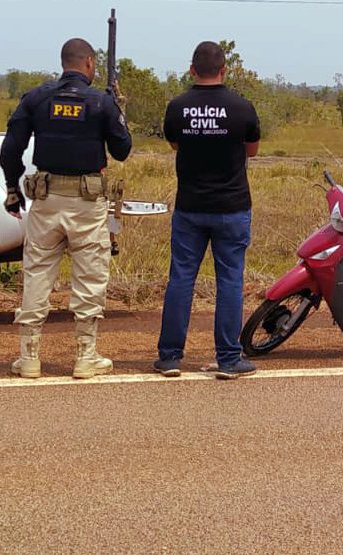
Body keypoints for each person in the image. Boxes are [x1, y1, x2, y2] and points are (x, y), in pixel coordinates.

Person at [2, 38, 132, 379]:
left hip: (45, 201)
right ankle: (85, 356)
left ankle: (29, 357)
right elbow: (122, 150)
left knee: (37, 273)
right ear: (89, 63)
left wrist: (12, 190)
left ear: (64, 63)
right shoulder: (101, 101)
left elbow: (10, 148)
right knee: (89, 276)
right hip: (87, 203)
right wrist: (118, 108)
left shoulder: (37, 98)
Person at [155, 41, 261, 379]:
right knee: (230, 280)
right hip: (232, 207)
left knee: (181, 279)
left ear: (191, 70)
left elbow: (175, 143)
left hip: (190, 207)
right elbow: (253, 150)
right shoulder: (242, 107)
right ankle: (229, 359)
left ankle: (170, 357)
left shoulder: (178, 107)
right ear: (224, 69)